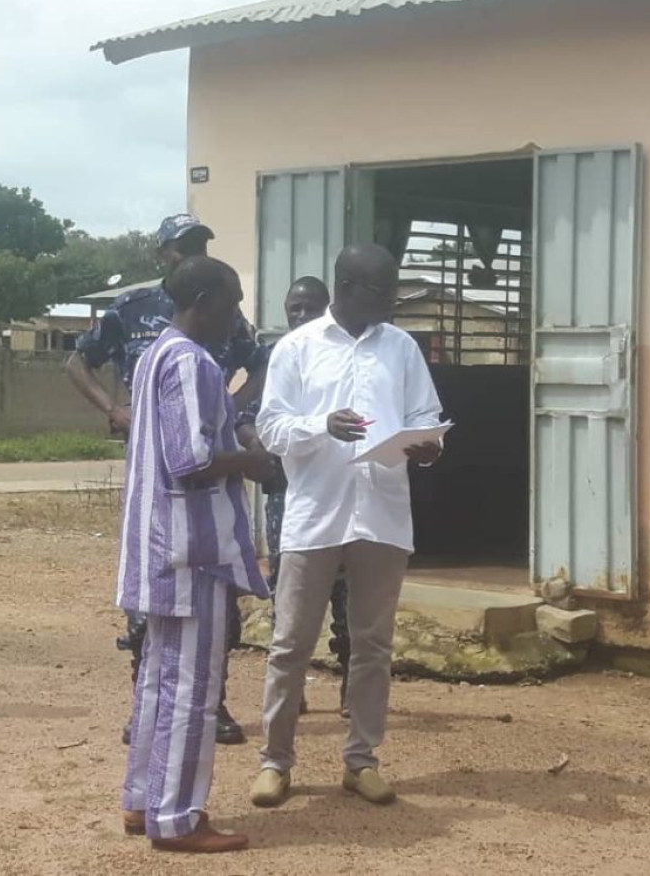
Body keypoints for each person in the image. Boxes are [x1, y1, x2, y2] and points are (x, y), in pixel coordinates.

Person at [250, 244, 443, 809]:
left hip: (382, 514)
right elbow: (272, 429)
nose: (391, 303)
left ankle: (361, 761)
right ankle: (275, 762)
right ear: (349, 288)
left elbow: (425, 415)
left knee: (372, 645)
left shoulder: (401, 348)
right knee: (290, 644)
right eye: (383, 293)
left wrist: (427, 443)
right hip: (316, 515)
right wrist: (321, 425)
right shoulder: (297, 348)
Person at [67, 213, 268, 746]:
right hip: (161, 461)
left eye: (200, 242)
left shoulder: (219, 320)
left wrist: (230, 408)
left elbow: (258, 362)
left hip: (207, 453)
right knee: (158, 592)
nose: (191, 251)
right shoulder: (141, 316)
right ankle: (150, 705)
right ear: (164, 255)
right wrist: (115, 409)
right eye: (183, 246)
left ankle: (209, 702)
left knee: (213, 596)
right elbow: (76, 362)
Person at [118, 255, 272, 853]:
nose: (237, 318)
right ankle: (178, 817)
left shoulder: (153, 353)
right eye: (232, 303)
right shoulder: (193, 362)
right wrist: (253, 462)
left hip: (155, 545)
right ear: (202, 300)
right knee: (193, 689)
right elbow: (191, 460)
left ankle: (142, 801)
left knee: (157, 683)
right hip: (190, 551)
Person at [235, 277, 350, 717]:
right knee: (291, 595)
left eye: (309, 308)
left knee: (347, 594)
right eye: (293, 309)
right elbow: (244, 416)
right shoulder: (276, 357)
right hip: (287, 495)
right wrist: (256, 443)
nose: (300, 316)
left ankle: (350, 687)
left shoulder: (340, 357)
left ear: (329, 309)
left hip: (337, 491)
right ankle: (292, 688)